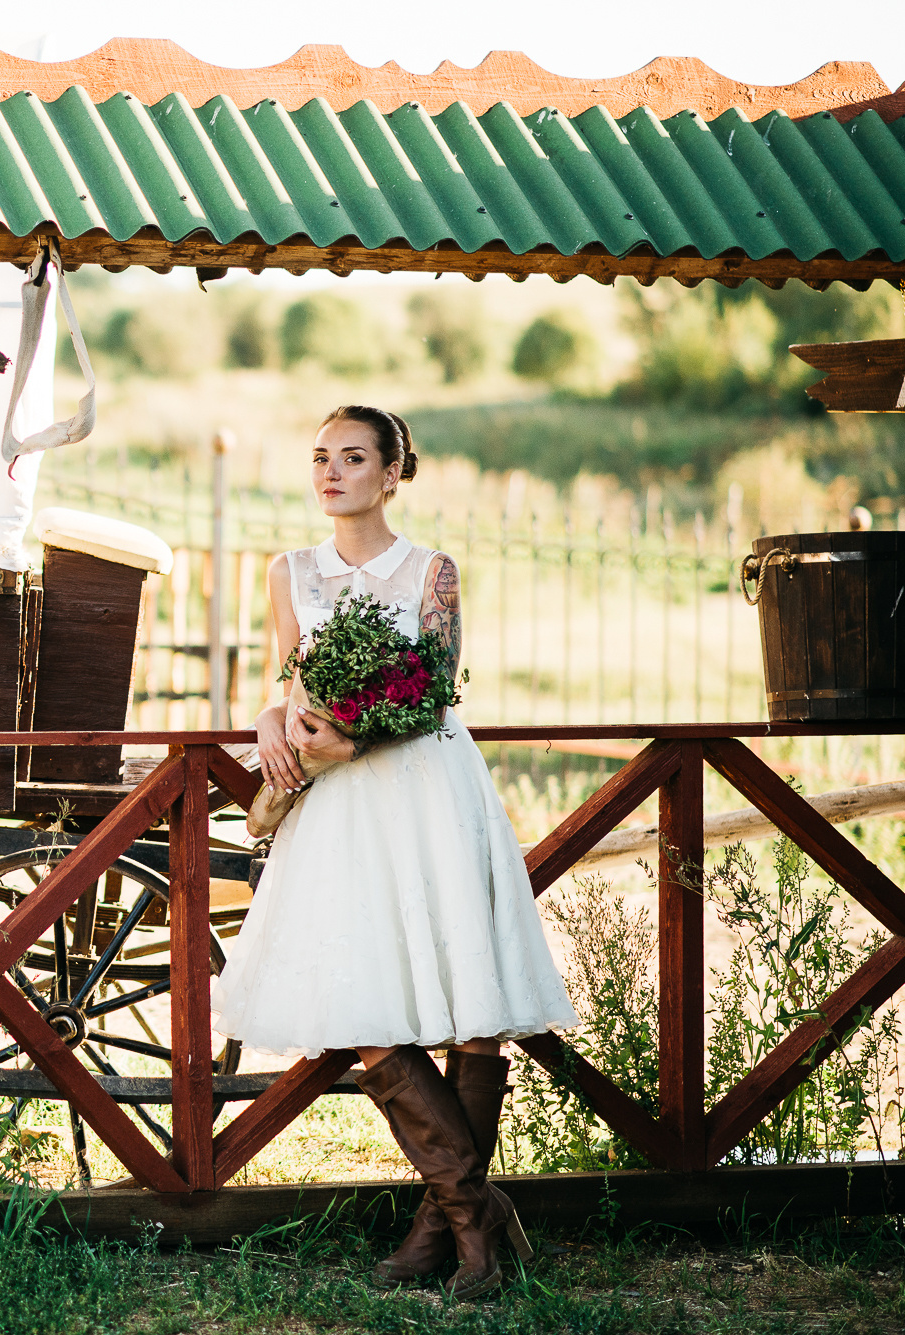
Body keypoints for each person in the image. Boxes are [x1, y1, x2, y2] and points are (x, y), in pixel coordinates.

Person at [209, 405, 578, 1300]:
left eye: (354, 457)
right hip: (339, 808)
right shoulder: (289, 570)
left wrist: (347, 741)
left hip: (428, 791)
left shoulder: (430, 571)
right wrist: (269, 720)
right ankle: (472, 1211)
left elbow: (435, 687)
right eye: (321, 458)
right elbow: (288, 677)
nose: (331, 472)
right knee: (362, 996)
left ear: (392, 472)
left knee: (468, 1004)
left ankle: (443, 1226)